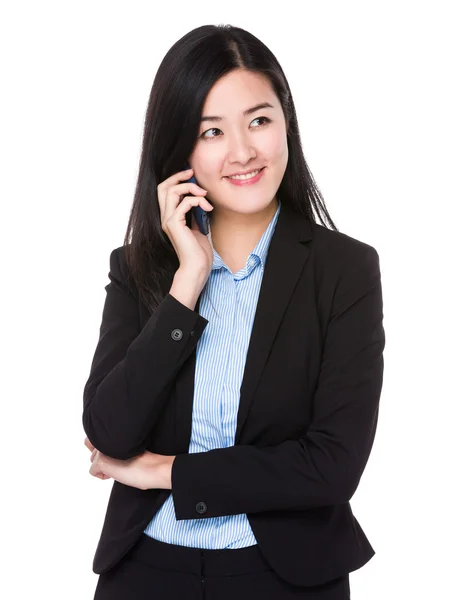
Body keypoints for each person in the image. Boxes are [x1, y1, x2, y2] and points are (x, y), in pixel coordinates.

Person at [82, 23, 385, 600]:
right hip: (146, 574)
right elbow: (108, 432)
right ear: (180, 150)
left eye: (259, 120)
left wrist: (164, 473)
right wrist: (189, 282)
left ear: (285, 123)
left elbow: (331, 466)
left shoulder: (344, 271)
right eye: (211, 131)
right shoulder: (139, 268)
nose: (243, 151)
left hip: (285, 579)